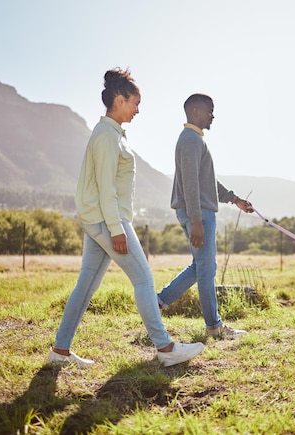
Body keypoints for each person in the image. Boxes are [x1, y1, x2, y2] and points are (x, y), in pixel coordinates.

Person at [48, 68, 204, 368]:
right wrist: (117, 229)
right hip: (109, 221)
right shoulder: (107, 136)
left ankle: (60, 351)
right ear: (119, 99)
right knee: (144, 279)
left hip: (99, 221)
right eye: (135, 102)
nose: (138, 109)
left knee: (87, 284)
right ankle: (166, 348)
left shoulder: (110, 133)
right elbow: (106, 188)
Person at [157, 93, 254, 339]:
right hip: (198, 213)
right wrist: (197, 220)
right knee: (207, 267)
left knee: (200, 266)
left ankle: (158, 302)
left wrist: (234, 199)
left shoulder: (194, 140)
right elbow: (190, 183)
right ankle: (214, 326)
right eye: (210, 110)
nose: (213, 115)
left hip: (197, 211)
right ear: (196, 111)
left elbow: (207, 181)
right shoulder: (190, 140)